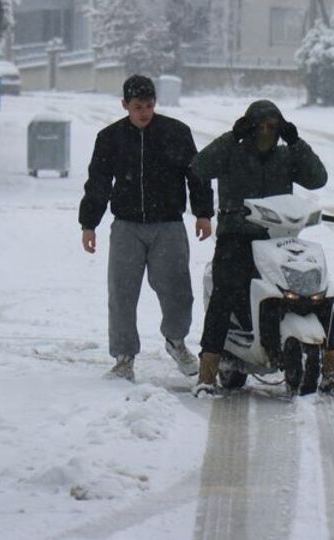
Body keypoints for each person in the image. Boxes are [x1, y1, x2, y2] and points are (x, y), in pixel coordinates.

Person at [189, 99, 334, 396]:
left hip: (279, 237)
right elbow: (199, 167)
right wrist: (231, 136)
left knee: (319, 292)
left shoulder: (285, 156)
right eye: (259, 126)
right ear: (248, 127)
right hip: (236, 237)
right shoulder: (231, 152)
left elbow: (318, 178)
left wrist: (296, 142)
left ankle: (332, 366)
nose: (265, 132)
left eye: (272, 127)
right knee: (224, 294)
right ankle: (207, 373)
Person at [79, 75, 214, 382]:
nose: (144, 112)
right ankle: (124, 357)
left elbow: (197, 175)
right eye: (137, 106)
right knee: (122, 293)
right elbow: (98, 183)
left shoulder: (176, 133)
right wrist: (89, 224)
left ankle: (176, 340)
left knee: (178, 291)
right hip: (126, 226)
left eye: (149, 106)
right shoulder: (110, 138)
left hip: (168, 225)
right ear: (124, 105)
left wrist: (203, 213)